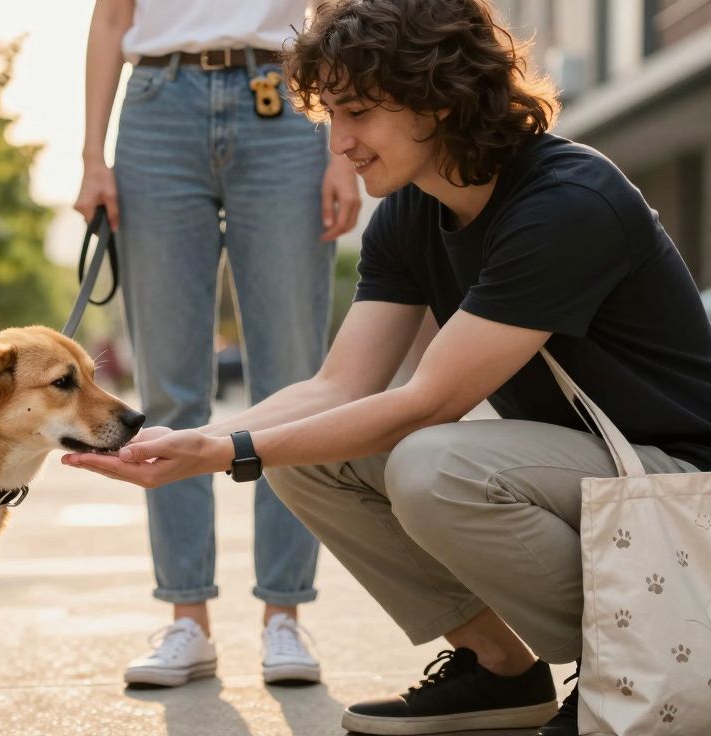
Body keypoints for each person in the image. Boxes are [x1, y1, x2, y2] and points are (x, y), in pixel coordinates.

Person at [64, 1, 711, 734]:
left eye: (359, 114)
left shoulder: (565, 202)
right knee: (307, 457)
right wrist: (207, 442)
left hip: (683, 495)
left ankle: (626, 661)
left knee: (431, 465)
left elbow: (430, 400)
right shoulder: (413, 209)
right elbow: (338, 387)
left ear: (439, 97)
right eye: (330, 116)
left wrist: (227, 450)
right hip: (599, 478)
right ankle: (498, 668)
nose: (338, 144)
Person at [74, 0, 362, 688]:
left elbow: (334, 11)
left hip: (287, 102)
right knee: (170, 386)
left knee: (293, 383)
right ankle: (186, 617)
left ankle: (284, 615)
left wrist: (342, 147)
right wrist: (92, 155)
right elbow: (112, 16)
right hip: (157, 106)